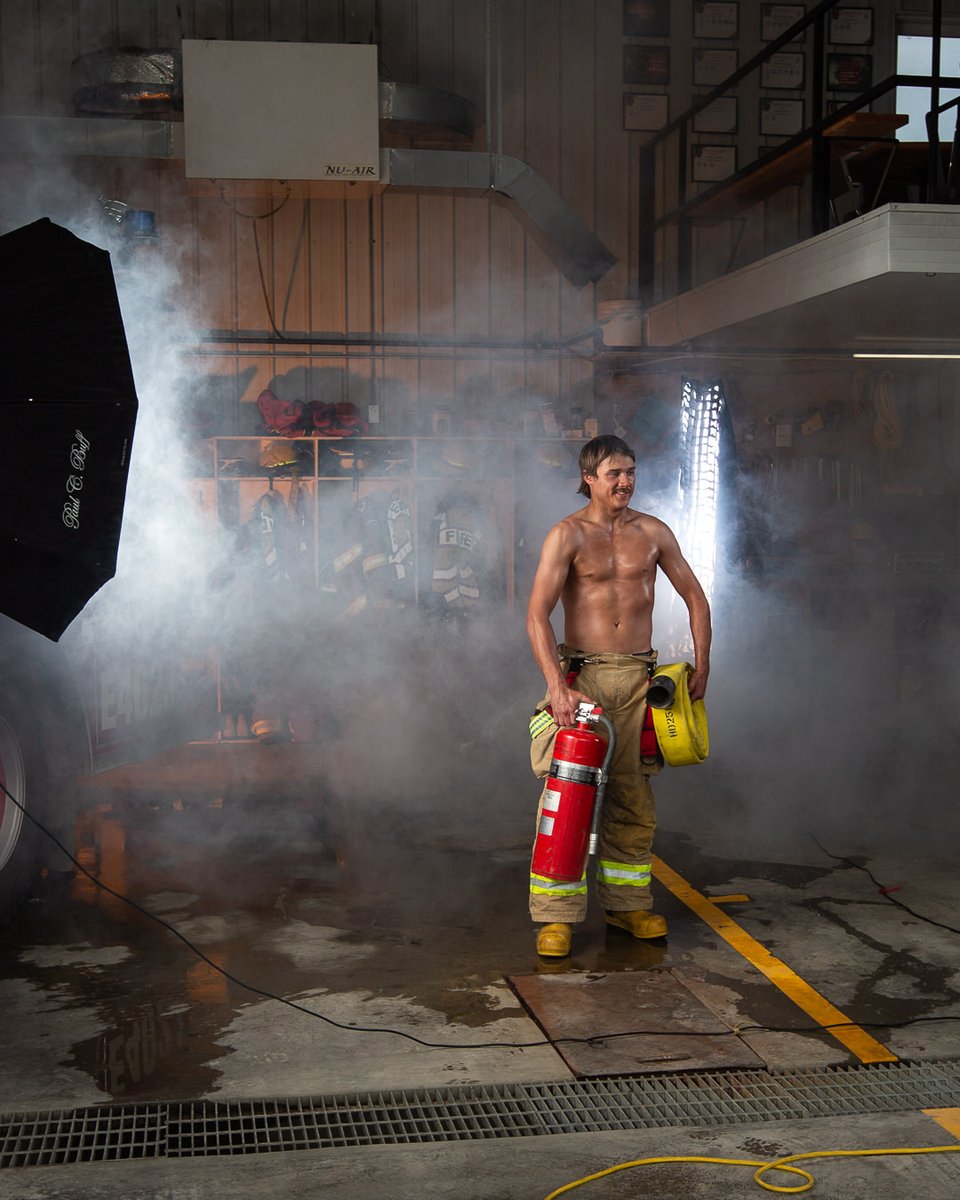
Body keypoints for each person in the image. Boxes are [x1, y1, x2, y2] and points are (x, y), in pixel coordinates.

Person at [525, 433, 711, 958]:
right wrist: (556, 687)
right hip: (581, 680)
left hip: (637, 682)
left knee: (632, 797)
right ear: (589, 477)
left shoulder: (653, 532)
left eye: (630, 472)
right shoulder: (566, 535)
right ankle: (555, 917)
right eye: (614, 473)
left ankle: (628, 907)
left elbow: (696, 598)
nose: (625, 481)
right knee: (568, 798)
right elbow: (536, 615)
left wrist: (703, 664)